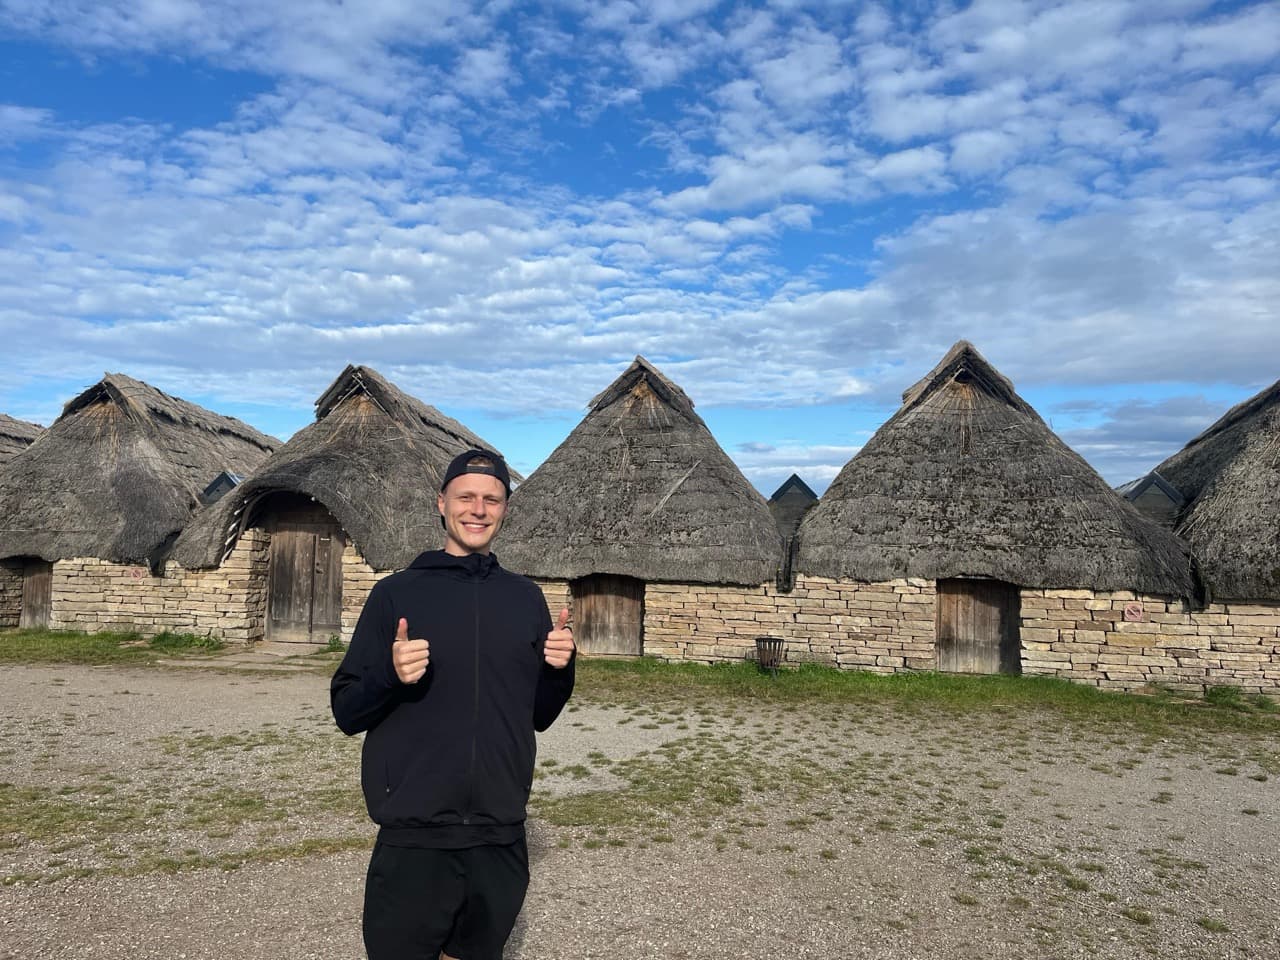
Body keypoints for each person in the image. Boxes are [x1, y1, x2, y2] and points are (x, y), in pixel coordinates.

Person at [331, 448, 576, 960]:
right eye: (466, 497)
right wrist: (391, 676)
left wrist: (560, 669)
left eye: (492, 499)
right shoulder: (395, 595)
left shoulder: (524, 598)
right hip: (415, 832)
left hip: (499, 829)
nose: (478, 510)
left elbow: (540, 715)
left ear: (505, 509)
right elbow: (347, 710)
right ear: (441, 503)